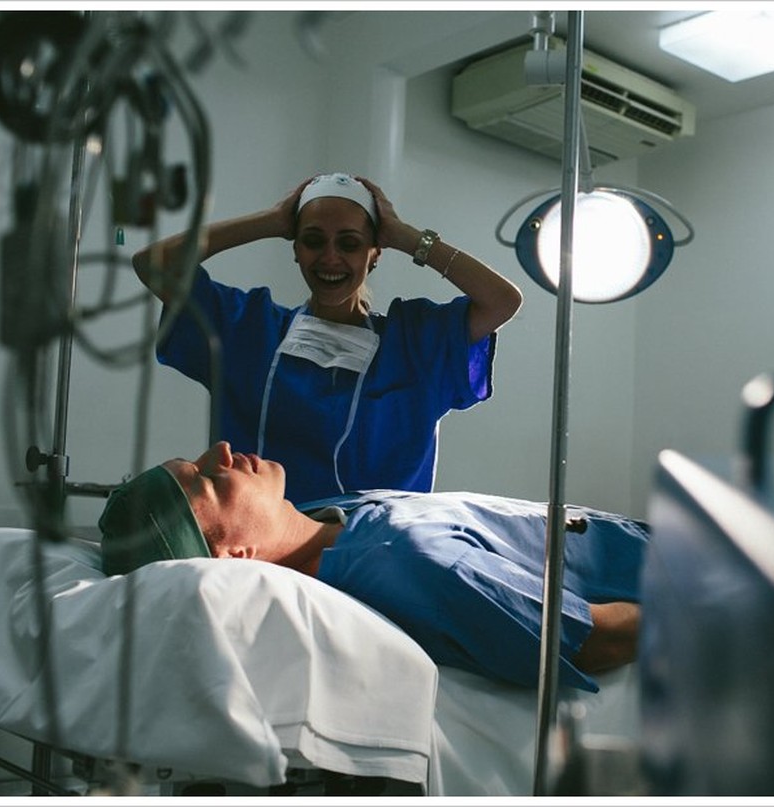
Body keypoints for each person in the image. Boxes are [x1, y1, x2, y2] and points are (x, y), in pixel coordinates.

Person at [98, 441, 645, 692]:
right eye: (211, 481)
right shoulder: (411, 564)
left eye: (197, 460)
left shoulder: (329, 519)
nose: (221, 451)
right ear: (232, 558)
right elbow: (593, 640)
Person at [132, 173, 523, 504]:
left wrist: (405, 236)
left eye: (350, 243)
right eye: (313, 241)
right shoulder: (247, 330)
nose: (330, 257)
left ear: (375, 254)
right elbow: (155, 264)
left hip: (373, 557)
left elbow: (502, 300)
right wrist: (271, 221)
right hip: (262, 552)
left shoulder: (415, 344)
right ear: (296, 250)